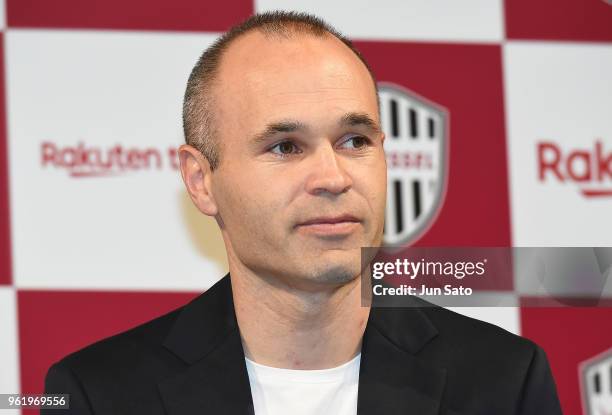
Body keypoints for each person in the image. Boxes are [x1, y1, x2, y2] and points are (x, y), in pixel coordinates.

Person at [43, 11, 563, 415]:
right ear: (201, 182)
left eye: (355, 140)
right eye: (286, 147)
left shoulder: (505, 381)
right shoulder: (97, 394)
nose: (334, 177)